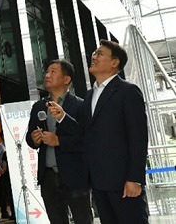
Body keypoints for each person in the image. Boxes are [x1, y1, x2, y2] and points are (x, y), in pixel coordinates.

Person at [49, 40, 149, 224]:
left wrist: (135, 179)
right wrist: (63, 117)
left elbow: (138, 138)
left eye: (100, 54)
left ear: (114, 62)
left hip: (123, 182)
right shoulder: (90, 95)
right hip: (98, 182)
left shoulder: (128, 91)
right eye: (94, 53)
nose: (93, 57)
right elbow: (84, 133)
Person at [25, 59, 92, 224]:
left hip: (75, 176)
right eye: (47, 72)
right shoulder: (39, 106)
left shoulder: (80, 105)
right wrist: (34, 139)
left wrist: (58, 141)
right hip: (48, 177)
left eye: (53, 72)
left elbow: (86, 140)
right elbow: (29, 139)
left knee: (82, 219)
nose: (47, 75)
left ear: (66, 79)